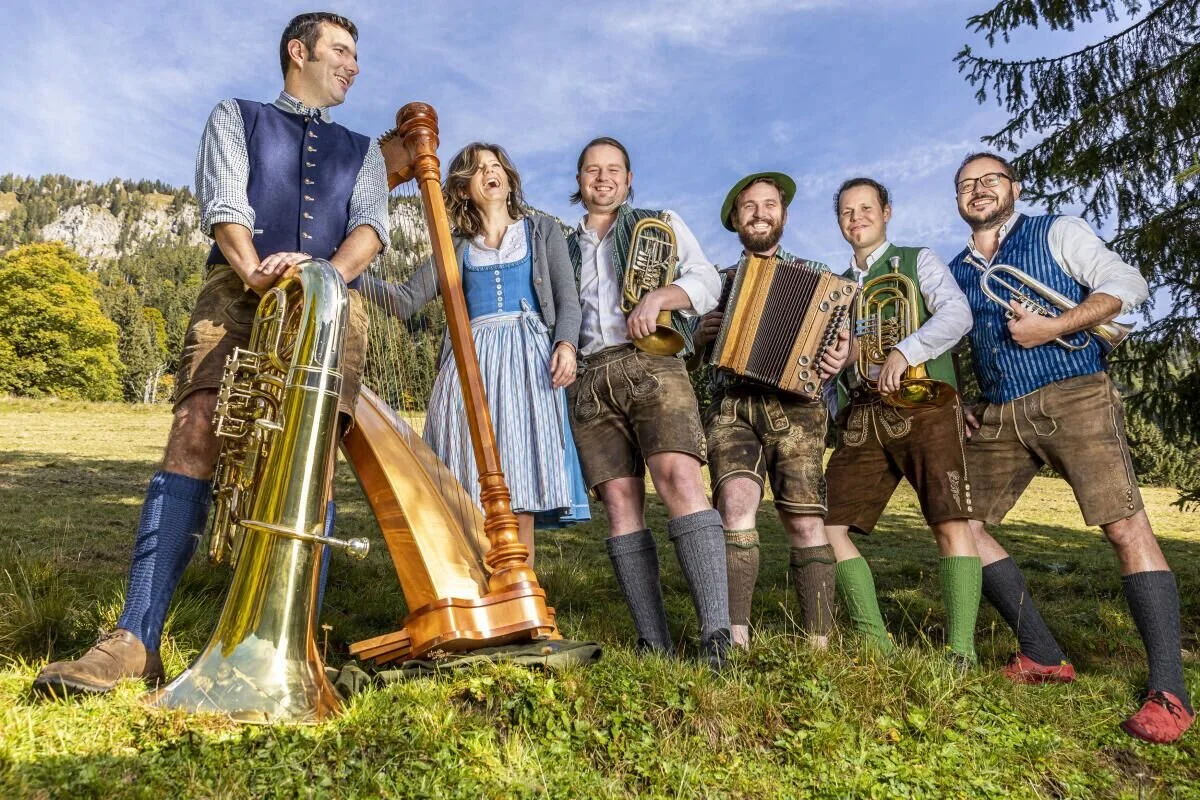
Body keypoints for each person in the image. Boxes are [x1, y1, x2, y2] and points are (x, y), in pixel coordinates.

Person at [33, 12, 389, 696]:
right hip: (237, 288)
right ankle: (136, 637)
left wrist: (322, 281)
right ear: (298, 52)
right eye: (341, 51)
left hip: (331, 303)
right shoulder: (237, 115)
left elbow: (370, 230)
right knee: (195, 429)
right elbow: (227, 204)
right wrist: (259, 273)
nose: (353, 64)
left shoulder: (364, 150)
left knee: (311, 462)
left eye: (354, 54)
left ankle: (294, 647)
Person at [947, 151, 1193, 743]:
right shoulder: (955, 267)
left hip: (1073, 393)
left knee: (1124, 526)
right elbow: (957, 341)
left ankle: (1170, 690)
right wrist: (965, 402)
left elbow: (1128, 284)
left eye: (989, 180)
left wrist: (1053, 326)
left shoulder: (1054, 230)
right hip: (1002, 409)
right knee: (959, 521)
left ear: (1014, 187)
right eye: (966, 185)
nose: (978, 190)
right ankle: (1042, 652)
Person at [365, 142, 589, 564]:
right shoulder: (457, 245)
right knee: (468, 484)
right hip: (469, 367)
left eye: (497, 165)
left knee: (520, 483)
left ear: (507, 177)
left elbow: (568, 300)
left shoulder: (542, 230)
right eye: (479, 168)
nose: (491, 172)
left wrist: (565, 344)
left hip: (529, 362)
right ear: (465, 188)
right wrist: (347, 272)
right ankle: (477, 592)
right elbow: (405, 300)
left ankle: (518, 588)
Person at [565, 137, 730, 668]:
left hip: (654, 362)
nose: (603, 178)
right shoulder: (563, 242)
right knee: (619, 504)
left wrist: (661, 297)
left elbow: (706, 280)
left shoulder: (662, 220)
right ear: (580, 181)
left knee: (681, 482)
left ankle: (716, 636)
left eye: (614, 170)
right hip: (590, 376)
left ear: (629, 179)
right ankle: (653, 641)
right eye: (593, 170)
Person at [691, 172, 851, 649]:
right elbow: (685, 355)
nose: (760, 213)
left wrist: (841, 356)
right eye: (749, 207)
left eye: (769, 204)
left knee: (805, 520)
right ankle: (735, 637)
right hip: (732, 406)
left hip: (797, 407)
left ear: (782, 214)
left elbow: (845, 346)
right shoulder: (714, 284)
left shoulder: (821, 278)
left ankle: (818, 643)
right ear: (736, 220)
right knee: (735, 507)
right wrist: (698, 338)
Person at [824, 177, 980, 663]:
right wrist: (841, 363)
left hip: (925, 401)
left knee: (949, 520)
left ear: (886, 212)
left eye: (866, 208)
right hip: (865, 412)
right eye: (847, 212)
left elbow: (958, 315)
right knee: (827, 524)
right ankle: (876, 641)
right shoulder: (839, 286)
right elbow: (842, 354)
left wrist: (905, 349)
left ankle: (961, 651)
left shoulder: (918, 260)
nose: (857, 218)